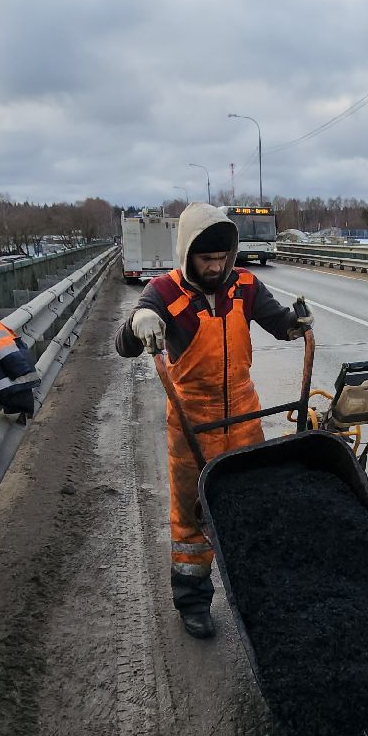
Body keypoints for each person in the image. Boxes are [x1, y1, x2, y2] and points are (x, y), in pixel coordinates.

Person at [114, 203, 311, 638]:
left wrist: (295, 324)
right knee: (191, 516)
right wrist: (138, 322)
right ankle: (192, 602)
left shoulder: (244, 285)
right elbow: (124, 345)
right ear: (188, 253)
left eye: (223, 257)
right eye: (207, 258)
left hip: (243, 413)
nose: (217, 266)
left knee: (249, 506)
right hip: (190, 420)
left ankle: (256, 592)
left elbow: (278, 322)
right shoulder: (164, 293)